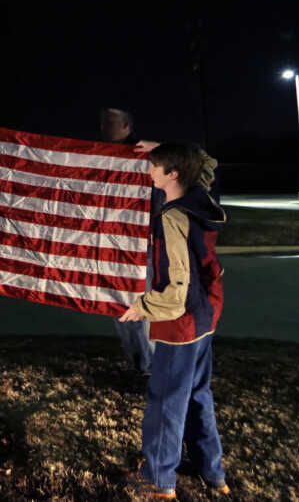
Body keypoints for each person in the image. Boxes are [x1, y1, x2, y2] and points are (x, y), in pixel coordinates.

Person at [120, 142, 230, 498]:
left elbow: (176, 285)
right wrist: (165, 146)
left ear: (174, 175)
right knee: (197, 394)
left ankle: (159, 479)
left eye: (156, 166)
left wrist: (142, 308)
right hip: (206, 314)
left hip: (180, 322)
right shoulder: (201, 196)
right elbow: (206, 162)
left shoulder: (172, 217)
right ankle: (211, 471)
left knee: (167, 400)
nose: (149, 171)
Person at [100, 106, 156, 377]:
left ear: (127, 127)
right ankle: (140, 366)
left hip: (140, 243)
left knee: (144, 306)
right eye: (103, 122)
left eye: (111, 122)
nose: (105, 127)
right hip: (112, 245)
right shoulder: (97, 155)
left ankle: (153, 367)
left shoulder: (144, 155)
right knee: (121, 308)